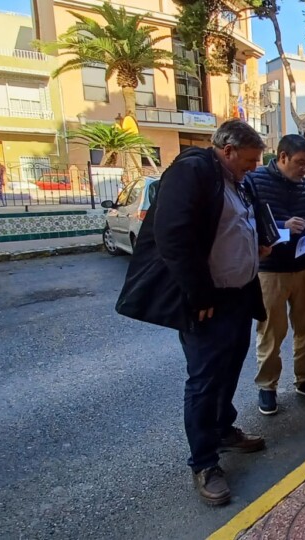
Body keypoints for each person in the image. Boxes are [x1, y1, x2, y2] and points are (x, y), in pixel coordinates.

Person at [115, 120, 270, 506]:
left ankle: (222, 428)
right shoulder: (194, 170)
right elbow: (174, 236)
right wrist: (199, 296)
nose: (254, 167)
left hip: (238, 295)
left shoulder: (238, 180)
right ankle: (204, 463)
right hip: (209, 301)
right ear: (228, 150)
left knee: (230, 367)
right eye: (250, 159)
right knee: (204, 380)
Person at [246, 135, 305, 415]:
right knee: (271, 332)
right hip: (270, 271)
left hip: (304, 267)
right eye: (300, 163)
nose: (304, 170)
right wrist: (282, 225)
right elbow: (249, 221)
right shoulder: (256, 181)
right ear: (282, 156)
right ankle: (267, 386)